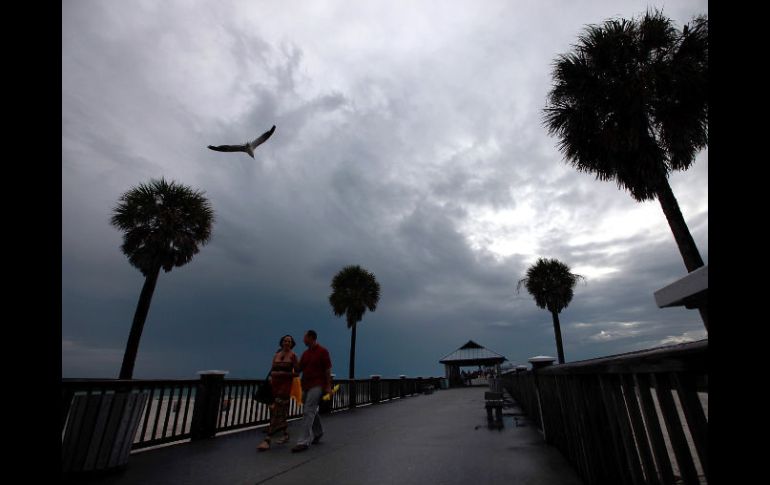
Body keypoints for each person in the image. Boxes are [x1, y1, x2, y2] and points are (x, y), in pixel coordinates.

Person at [291, 330, 332, 453]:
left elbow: (328, 369)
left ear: (311, 337)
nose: (303, 340)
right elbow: (299, 370)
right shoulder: (305, 354)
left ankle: (303, 442)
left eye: (305, 337)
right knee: (310, 409)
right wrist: (293, 361)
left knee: (308, 409)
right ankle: (318, 432)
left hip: (318, 385)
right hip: (306, 385)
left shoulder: (323, 351)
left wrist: (328, 386)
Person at [258, 335, 299, 451]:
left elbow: (297, 373)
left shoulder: (293, 356)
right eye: (285, 341)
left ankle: (267, 439)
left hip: (285, 386)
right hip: (274, 386)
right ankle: (286, 434)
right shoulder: (276, 355)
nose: (287, 342)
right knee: (279, 411)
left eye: (289, 341)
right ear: (281, 342)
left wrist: (284, 374)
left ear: (292, 344)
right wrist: (272, 377)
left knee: (276, 409)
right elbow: (273, 370)